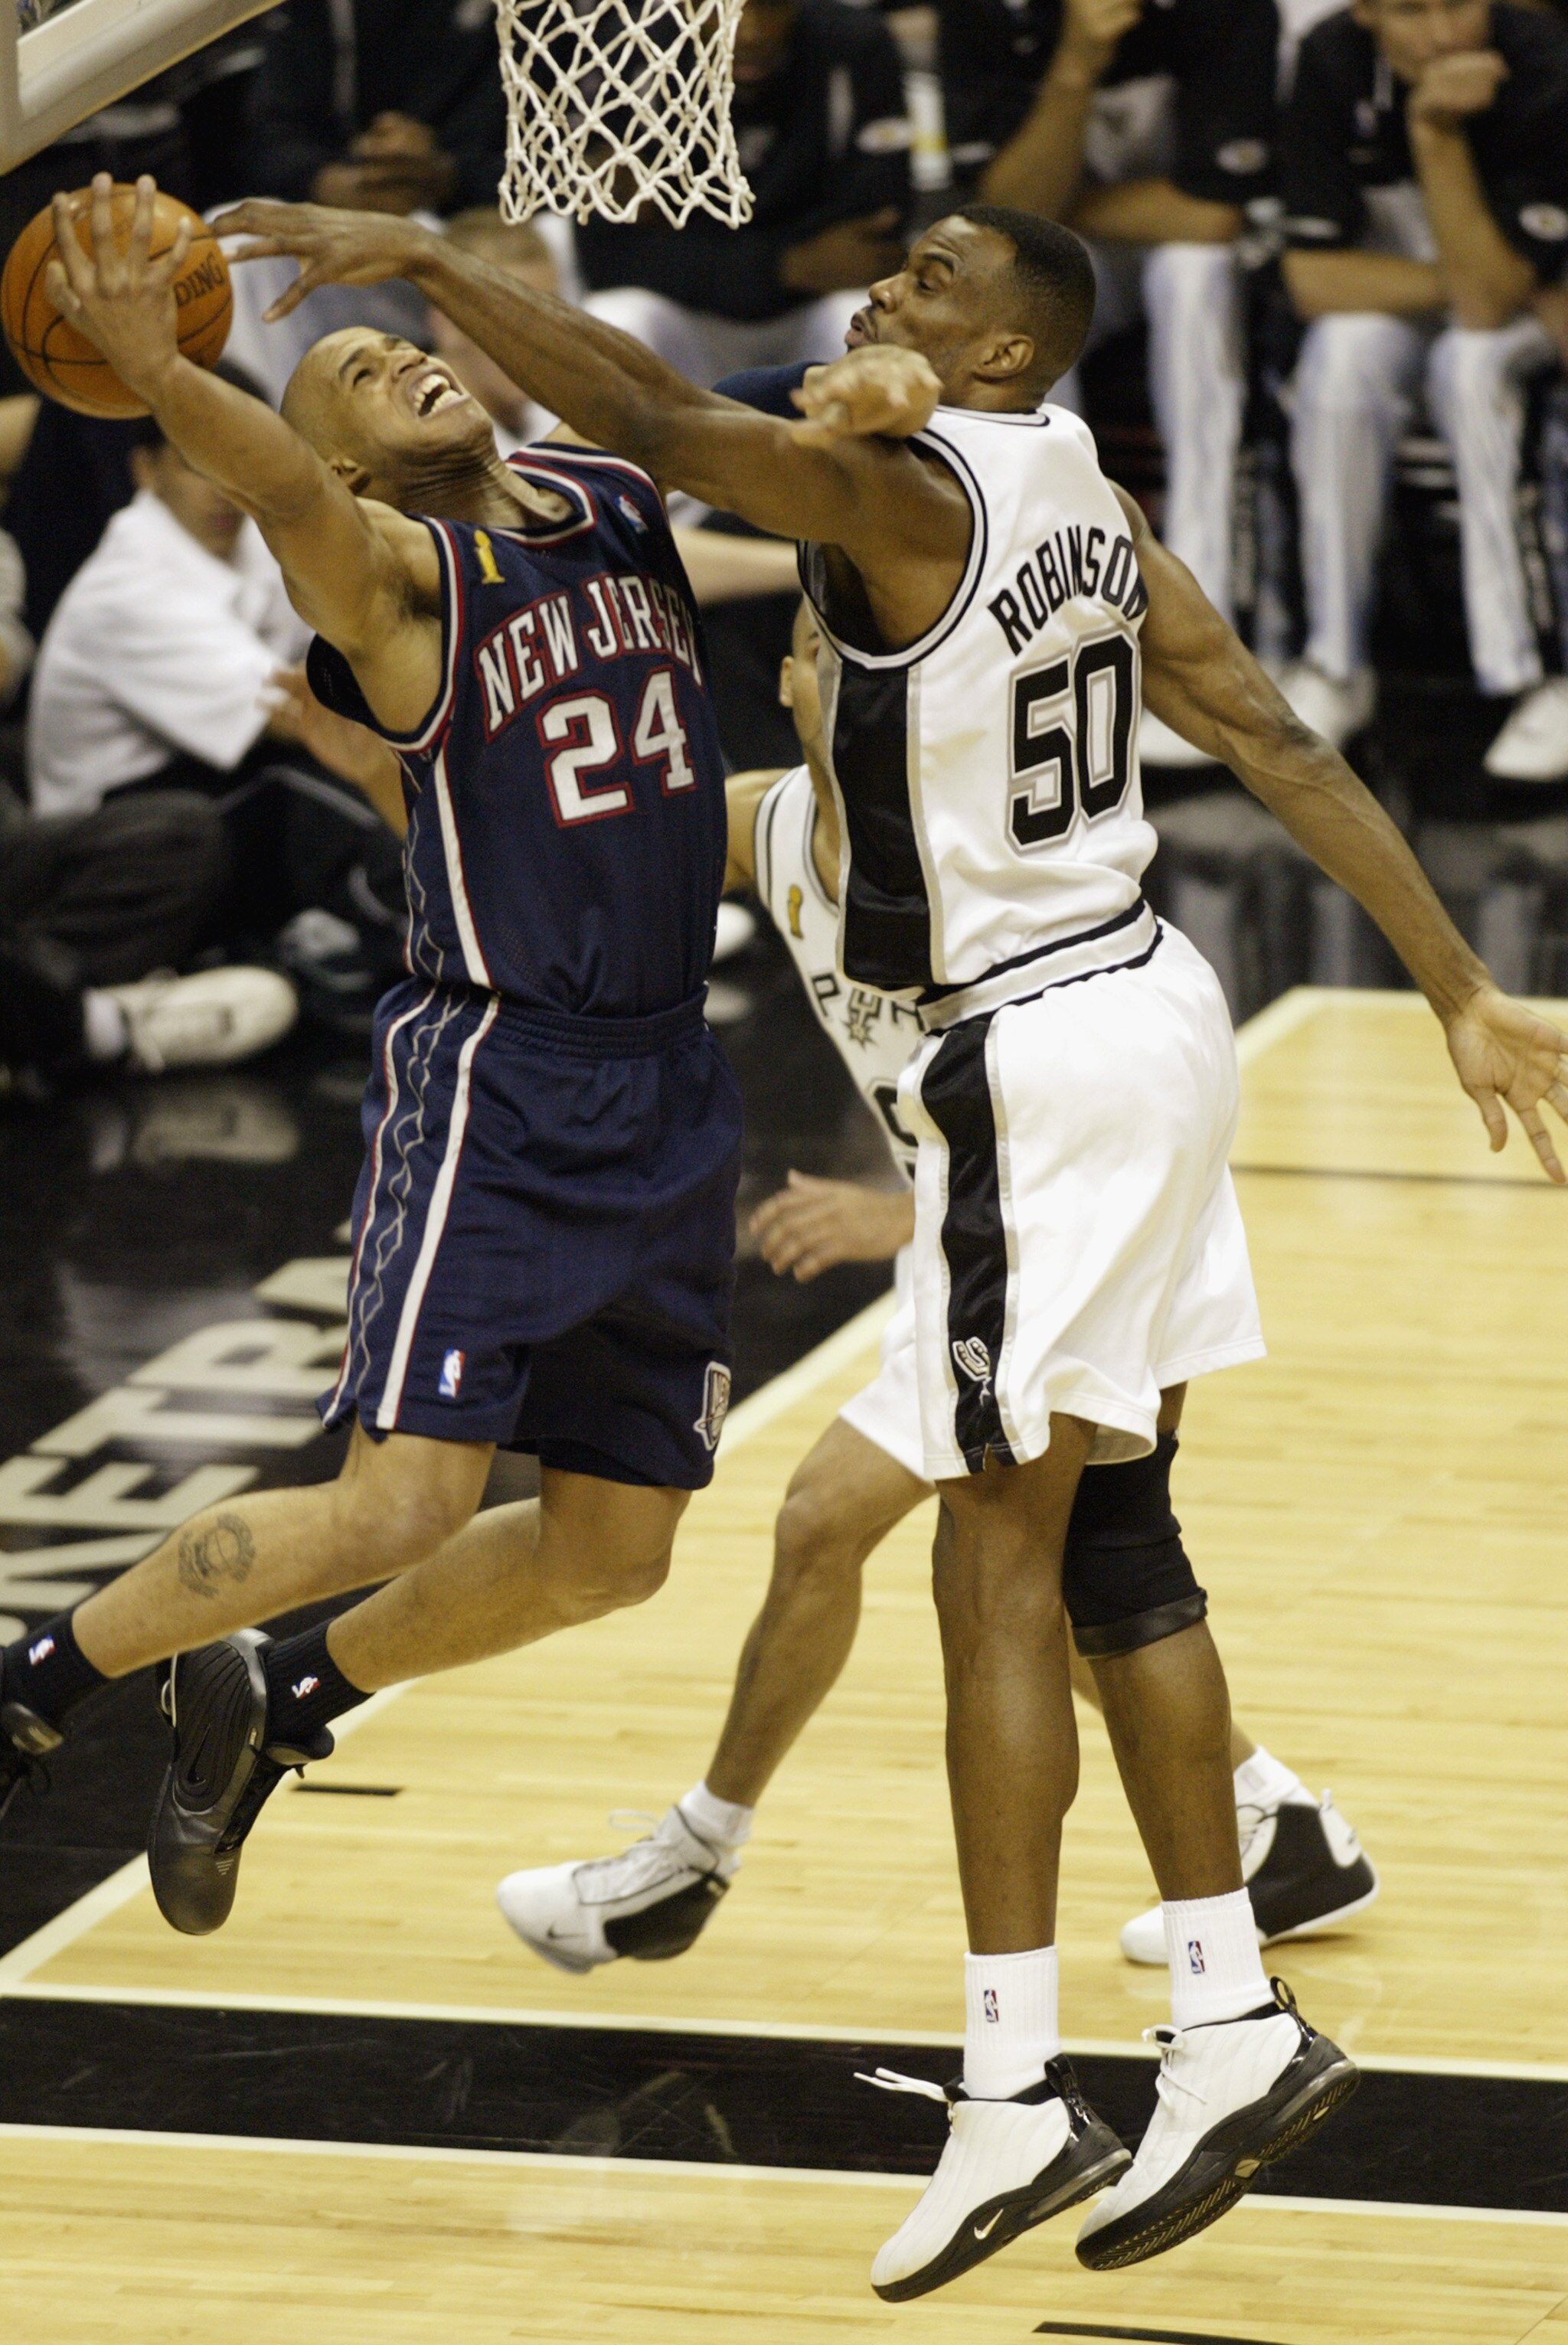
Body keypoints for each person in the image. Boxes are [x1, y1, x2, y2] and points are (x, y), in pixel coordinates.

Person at [98, 188, 1568, 2293]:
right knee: (1119, 1549)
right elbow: (1259, 725)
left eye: (929, 284)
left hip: (1039, 1058)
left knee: (997, 1556)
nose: (879, 286)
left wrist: (418, 261)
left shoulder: (907, 501)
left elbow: (660, 413)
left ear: (995, 359)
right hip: (1150, 1010)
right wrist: (1454, 983)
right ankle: (1232, 2011)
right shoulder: (1078, 490)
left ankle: (1006, 2092)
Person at [0, 177, 741, 1984]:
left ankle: (285, 1682)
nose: (395, 363)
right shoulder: (397, 589)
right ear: (330, 462)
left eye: (402, 345)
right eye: (347, 374)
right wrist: (149, 366)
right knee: (399, 1497)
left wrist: (424, 257)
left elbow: (657, 412)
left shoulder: (605, 500)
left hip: (667, 1082)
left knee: (612, 1553)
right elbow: (267, 486)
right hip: (503, 1076)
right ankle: (31, 1690)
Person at [495, 597, 1380, 1978]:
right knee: (1058, 1558)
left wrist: (899, 1200)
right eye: (814, 643)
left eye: (867, 647)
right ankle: (1277, 1823)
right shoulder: (766, 820)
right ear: (786, 676)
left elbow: (1052, 1066)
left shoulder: (976, 836)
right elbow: (556, 848)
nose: (841, 663)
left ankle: (694, 1857)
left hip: (1052, 1195)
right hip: (987, 1214)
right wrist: (395, 748)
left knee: (854, 1527)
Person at [939, 0, 1281, 769]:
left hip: (1180, 259)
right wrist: (1074, 67)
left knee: (1192, 277)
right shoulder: (986, 14)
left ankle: (1200, 636)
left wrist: (1047, 208)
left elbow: (1211, 219)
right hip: (1071, 259)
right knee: (1010, 303)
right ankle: (1046, 627)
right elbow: (993, 223)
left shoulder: (1229, 15)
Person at [27, 374, 407, 1011]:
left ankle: (351, 936)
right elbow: (296, 713)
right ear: (145, 469)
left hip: (201, 792)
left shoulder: (244, 533)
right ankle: (427, 946)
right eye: (198, 466)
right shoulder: (129, 586)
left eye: (241, 461)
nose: (225, 488)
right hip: (114, 848)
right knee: (303, 785)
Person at [1279, 0, 1568, 768]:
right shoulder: (1329, 57)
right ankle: (1333, 662)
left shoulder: (1538, 58)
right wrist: (1466, 276)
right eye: (1412, 9)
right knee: (1338, 354)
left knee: (1467, 367)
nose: (1442, 34)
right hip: (1443, 289)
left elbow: (1485, 311)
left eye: (1459, 3)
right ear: (1366, 10)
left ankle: (1534, 676)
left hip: (1528, 317)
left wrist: (1433, 133)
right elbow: (1311, 280)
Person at [577, 0, 913, 387]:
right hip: (684, 318)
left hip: (811, 313)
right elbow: (605, 255)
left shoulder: (855, 43)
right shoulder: (631, 47)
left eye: (769, 6)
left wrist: (692, 246)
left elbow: (876, 227)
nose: (750, 31)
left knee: (873, 317)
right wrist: (786, 265)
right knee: (614, 317)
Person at [241, 0, 508, 217]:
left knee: (541, 235)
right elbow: (266, 137)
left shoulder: (530, 16)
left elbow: (541, 159)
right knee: (234, 236)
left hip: (481, 210)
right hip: (340, 199)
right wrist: (324, 180)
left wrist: (448, 174)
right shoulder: (310, 11)